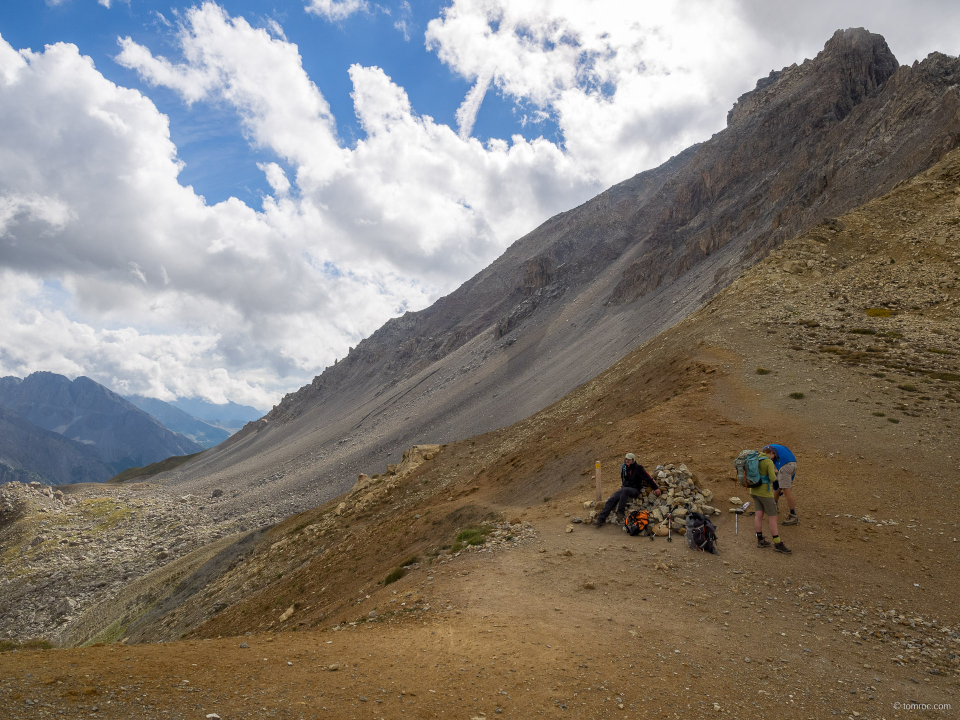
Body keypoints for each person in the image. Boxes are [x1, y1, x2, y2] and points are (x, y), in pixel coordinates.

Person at [594, 453, 661, 526]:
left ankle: (620, 513)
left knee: (625, 491)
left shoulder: (638, 468)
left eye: (629, 459)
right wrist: (622, 486)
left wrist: (656, 488)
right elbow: (623, 479)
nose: (627, 461)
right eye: (626, 459)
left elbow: (648, 478)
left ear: (633, 460)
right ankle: (601, 519)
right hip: (624, 488)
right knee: (613, 498)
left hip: (635, 489)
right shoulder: (624, 467)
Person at [751, 448, 790, 553]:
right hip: (765, 493)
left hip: (754, 491)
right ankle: (777, 543)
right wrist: (777, 475)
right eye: (774, 455)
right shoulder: (767, 461)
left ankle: (760, 540)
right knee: (773, 517)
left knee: (758, 515)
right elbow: (772, 478)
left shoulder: (755, 459)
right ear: (770, 453)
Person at [763, 443, 799, 525]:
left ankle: (793, 516)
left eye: (768, 457)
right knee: (777, 485)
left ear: (771, 453)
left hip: (785, 467)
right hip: (793, 464)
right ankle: (774, 507)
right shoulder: (778, 450)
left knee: (786, 490)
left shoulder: (769, 449)